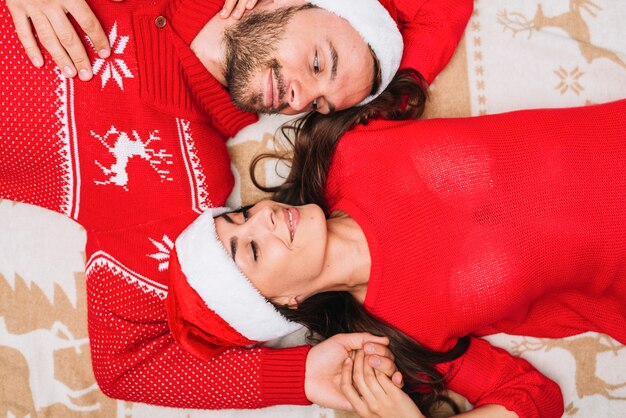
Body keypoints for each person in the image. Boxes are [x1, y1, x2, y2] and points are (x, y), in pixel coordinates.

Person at [163, 99, 626, 417]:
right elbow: (535, 399)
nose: (262, 215)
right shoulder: (396, 338)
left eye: (241, 215)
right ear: (288, 301)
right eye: (252, 248)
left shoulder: (345, 146)